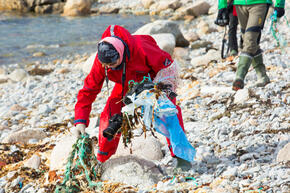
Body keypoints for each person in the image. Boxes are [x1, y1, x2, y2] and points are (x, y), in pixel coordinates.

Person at [73, 25, 191, 170]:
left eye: (112, 63)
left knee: (168, 113)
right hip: (125, 85)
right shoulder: (102, 62)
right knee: (109, 115)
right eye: (106, 65)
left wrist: (159, 92)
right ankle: (103, 159)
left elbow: (168, 69)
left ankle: (182, 157)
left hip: (153, 80)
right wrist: (80, 120)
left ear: (121, 54)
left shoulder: (142, 48)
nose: (109, 67)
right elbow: (89, 90)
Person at [216, 0, 285, 90]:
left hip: (259, 3)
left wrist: (279, 4)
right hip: (239, 4)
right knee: (248, 41)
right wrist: (222, 6)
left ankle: (239, 77)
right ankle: (262, 76)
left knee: (250, 39)